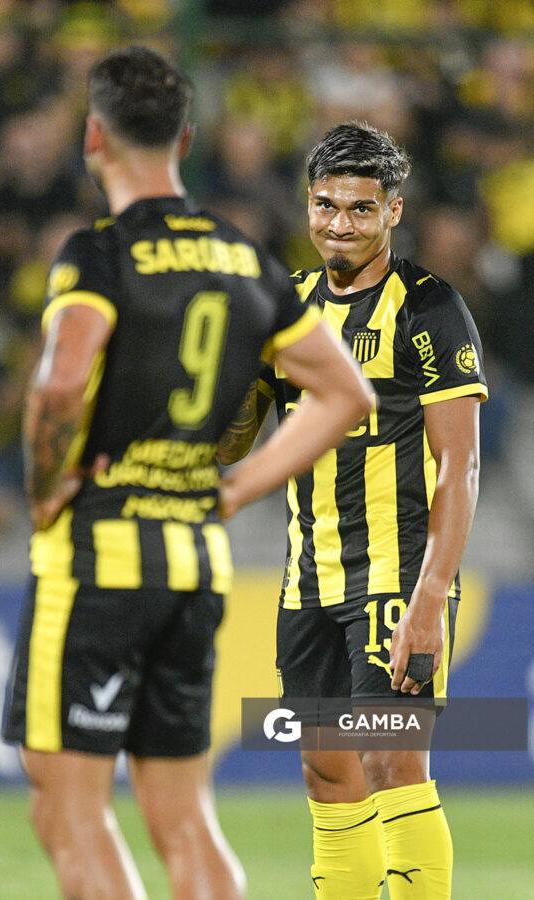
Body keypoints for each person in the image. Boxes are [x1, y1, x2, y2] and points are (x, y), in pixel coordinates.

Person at [1, 47, 372, 900]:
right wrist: (240, 486)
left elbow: (62, 377)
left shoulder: (98, 254)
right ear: (188, 138)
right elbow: (344, 393)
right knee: (184, 816)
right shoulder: (245, 260)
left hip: (100, 555)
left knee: (66, 807)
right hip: (195, 558)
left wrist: (45, 487)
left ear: (94, 137)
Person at [217, 121, 488, 900]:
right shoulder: (288, 309)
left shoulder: (430, 310)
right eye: (327, 205)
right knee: (327, 772)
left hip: (396, 574)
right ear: (309, 205)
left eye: (360, 209)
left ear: (392, 213)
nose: (340, 223)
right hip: (310, 579)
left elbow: (460, 464)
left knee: (392, 761)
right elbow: (233, 441)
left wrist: (430, 600)